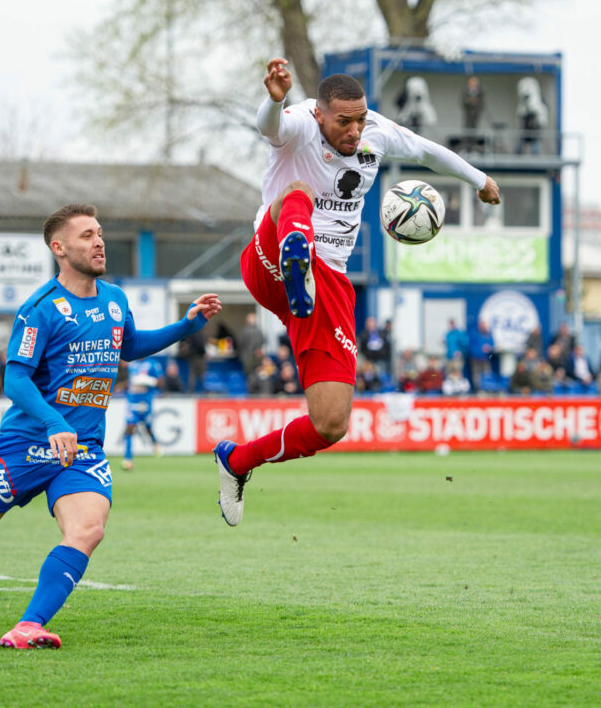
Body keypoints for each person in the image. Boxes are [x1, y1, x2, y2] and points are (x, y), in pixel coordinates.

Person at [214, 58, 500, 526]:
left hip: (326, 287)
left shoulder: (376, 132)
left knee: (331, 424)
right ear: (321, 115)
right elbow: (269, 127)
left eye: (360, 119)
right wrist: (274, 97)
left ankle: (238, 461)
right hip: (270, 259)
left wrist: (479, 180)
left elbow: (427, 150)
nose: (354, 130)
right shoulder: (300, 123)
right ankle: (297, 252)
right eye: (343, 121)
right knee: (296, 191)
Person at [0, 204, 221, 649]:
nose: (98, 242)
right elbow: (15, 378)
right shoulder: (39, 308)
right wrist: (55, 422)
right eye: (86, 236)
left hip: (82, 450)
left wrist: (186, 325)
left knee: (88, 530)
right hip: (27, 444)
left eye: (99, 233)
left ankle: (28, 626)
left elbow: (130, 346)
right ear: (59, 248)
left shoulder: (114, 299)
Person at [121, 357, 164, 471]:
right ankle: (128, 460)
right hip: (132, 401)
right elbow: (131, 381)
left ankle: (155, 444)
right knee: (130, 428)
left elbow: (161, 382)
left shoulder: (153, 364)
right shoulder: (132, 364)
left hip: (145, 403)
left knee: (147, 428)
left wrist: (148, 380)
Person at [237, 311, 265, 377]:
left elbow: (240, 343)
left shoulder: (244, 331)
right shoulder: (259, 331)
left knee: (249, 376)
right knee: (258, 375)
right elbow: (262, 342)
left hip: (247, 357)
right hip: (257, 357)